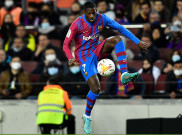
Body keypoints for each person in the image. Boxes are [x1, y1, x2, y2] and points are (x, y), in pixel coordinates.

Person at [63, 1, 147, 134]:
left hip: (96, 49)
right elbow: (66, 44)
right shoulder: (77, 24)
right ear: (84, 13)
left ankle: (124, 74)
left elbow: (121, 28)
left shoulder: (102, 18)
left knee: (117, 39)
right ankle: (87, 116)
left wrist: (137, 42)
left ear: (96, 10)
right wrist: (70, 58)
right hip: (84, 57)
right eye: (89, 13)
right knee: (96, 89)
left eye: (93, 12)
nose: (92, 16)